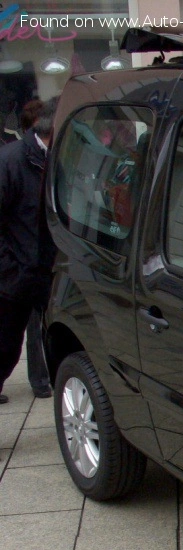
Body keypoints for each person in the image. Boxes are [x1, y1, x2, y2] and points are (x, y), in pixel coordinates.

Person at [0, 99, 55, 405]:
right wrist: (11, 271)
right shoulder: (10, 162)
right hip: (14, 276)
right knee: (6, 348)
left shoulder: (63, 158)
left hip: (51, 272)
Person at [20, 99, 52, 398]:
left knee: (39, 321)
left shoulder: (49, 155)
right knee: (21, 323)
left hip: (42, 253)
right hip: (21, 257)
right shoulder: (17, 158)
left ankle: (42, 377)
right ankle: (39, 379)